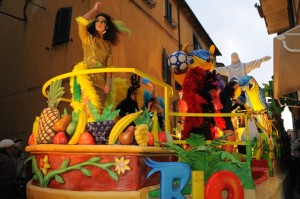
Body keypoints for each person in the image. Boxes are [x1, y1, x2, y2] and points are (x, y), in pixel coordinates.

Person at [74, 2, 121, 110]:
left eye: (103, 21)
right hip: (88, 78)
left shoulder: (108, 46)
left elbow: (109, 69)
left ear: (107, 26)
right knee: (87, 111)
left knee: (98, 112)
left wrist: (108, 84)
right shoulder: (88, 38)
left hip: (101, 83)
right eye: (97, 21)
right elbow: (81, 21)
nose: (99, 23)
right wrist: (95, 9)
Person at [219, 78, 244, 153]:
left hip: (227, 118)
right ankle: (226, 160)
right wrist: (233, 86)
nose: (237, 88)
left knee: (230, 139)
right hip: (225, 119)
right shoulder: (224, 94)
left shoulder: (227, 97)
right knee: (231, 138)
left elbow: (228, 109)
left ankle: (224, 158)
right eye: (235, 86)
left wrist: (237, 104)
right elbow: (226, 93)